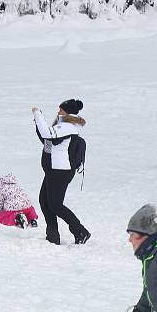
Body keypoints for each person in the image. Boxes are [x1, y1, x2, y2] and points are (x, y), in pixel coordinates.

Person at [32, 99, 90, 245]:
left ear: (67, 112)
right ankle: (53, 235)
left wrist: (38, 114)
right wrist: (37, 123)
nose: (58, 112)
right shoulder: (62, 126)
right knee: (44, 201)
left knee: (55, 204)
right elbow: (48, 141)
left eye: (60, 110)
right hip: (53, 170)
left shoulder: (69, 127)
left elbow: (47, 134)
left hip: (61, 171)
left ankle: (80, 231)